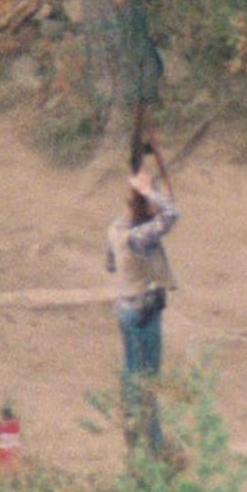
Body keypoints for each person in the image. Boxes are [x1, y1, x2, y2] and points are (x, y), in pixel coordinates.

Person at [106, 161, 179, 450]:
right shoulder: (139, 236)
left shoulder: (116, 228)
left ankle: (134, 435)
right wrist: (149, 191)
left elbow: (110, 264)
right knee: (147, 381)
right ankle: (151, 446)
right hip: (143, 312)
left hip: (126, 307)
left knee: (131, 374)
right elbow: (172, 213)